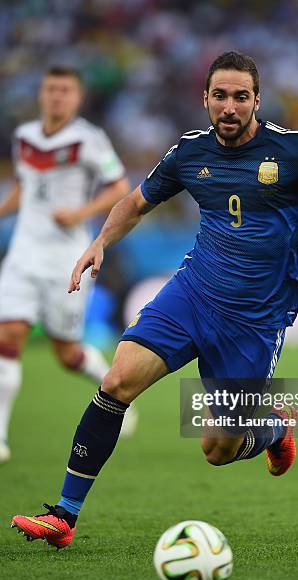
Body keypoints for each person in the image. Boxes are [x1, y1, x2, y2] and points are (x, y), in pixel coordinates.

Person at [11, 52, 298, 549]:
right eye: (220, 96)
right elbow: (136, 201)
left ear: (256, 101)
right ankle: (64, 515)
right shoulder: (189, 152)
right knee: (116, 380)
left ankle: (272, 429)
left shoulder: (294, 152)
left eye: (241, 97)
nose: (230, 107)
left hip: (254, 320)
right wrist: (100, 240)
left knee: (218, 449)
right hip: (192, 294)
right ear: (204, 99)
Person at [0, 66, 137, 465]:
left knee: (67, 353)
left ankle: (113, 390)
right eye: (51, 89)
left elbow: (118, 186)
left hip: (67, 258)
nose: (57, 96)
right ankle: (1, 438)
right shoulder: (24, 137)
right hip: (24, 253)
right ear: (42, 94)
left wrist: (80, 213)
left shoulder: (89, 140)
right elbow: (27, 188)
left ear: (76, 99)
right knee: (8, 337)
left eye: (65, 90)